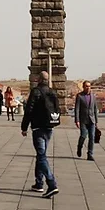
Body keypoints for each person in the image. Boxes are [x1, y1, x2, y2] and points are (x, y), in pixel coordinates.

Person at [21, 71, 59, 199]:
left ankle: (52, 184)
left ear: (38, 79)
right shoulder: (53, 92)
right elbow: (57, 109)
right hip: (49, 127)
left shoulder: (36, 91)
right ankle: (39, 183)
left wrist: (24, 127)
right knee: (40, 154)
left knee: (41, 156)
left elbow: (29, 110)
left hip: (38, 128)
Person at [74, 80, 99, 160]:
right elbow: (77, 109)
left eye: (89, 86)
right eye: (86, 86)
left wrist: (96, 121)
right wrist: (77, 120)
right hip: (83, 120)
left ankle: (90, 154)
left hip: (92, 120)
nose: (88, 88)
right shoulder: (79, 96)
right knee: (83, 135)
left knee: (92, 137)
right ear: (83, 87)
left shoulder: (93, 96)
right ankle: (79, 147)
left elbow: (95, 108)